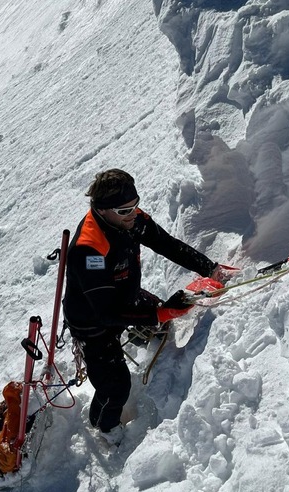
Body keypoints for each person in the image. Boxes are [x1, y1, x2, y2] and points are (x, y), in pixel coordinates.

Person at [63, 168, 220, 446]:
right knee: (116, 387)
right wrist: (158, 313)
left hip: (124, 296)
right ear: (102, 210)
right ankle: (105, 427)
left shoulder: (128, 219)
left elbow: (165, 244)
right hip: (94, 325)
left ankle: (143, 333)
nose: (133, 213)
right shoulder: (89, 250)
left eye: (135, 205)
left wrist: (210, 268)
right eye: (125, 210)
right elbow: (107, 313)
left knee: (157, 315)